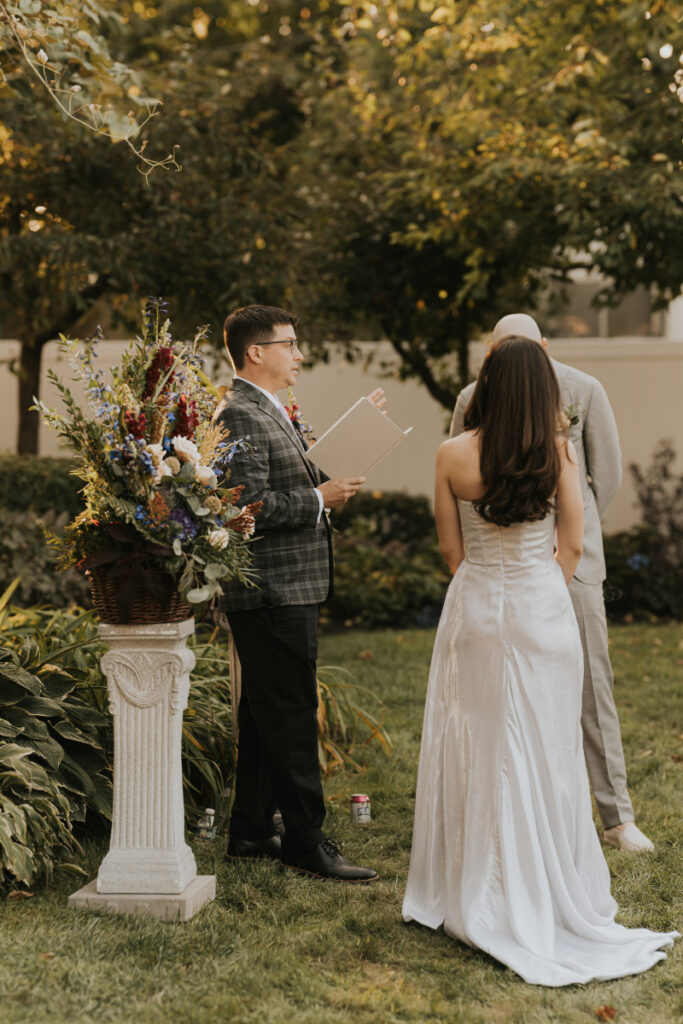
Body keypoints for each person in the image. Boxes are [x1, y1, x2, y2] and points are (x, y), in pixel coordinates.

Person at [402, 338, 677, 985]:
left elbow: (450, 549)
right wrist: (535, 588)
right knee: (545, 750)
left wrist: (486, 589)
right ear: (543, 392)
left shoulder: (450, 454)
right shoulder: (556, 451)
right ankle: (544, 877)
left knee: (479, 739)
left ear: (487, 386)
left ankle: (481, 875)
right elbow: (573, 544)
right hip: (542, 612)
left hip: (474, 612)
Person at [450, 313, 653, 853]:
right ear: (490, 353)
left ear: (544, 345)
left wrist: (563, 545)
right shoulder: (473, 396)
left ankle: (616, 817)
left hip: (571, 565)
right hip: (499, 572)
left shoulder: (585, 389)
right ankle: (506, 811)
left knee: (592, 688)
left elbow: (602, 479)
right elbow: (462, 480)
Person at [214, 304, 379, 882]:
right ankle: (306, 840)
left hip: (287, 586)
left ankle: (253, 830)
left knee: (264, 710)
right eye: (290, 344)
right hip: (272, 589)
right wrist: (319, 500)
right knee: (290, 712)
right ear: (255, 352)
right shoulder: (238, 413)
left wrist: (357, 433)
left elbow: (295, 474)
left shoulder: (267, 409)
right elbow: (245, 506)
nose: (299, 354)